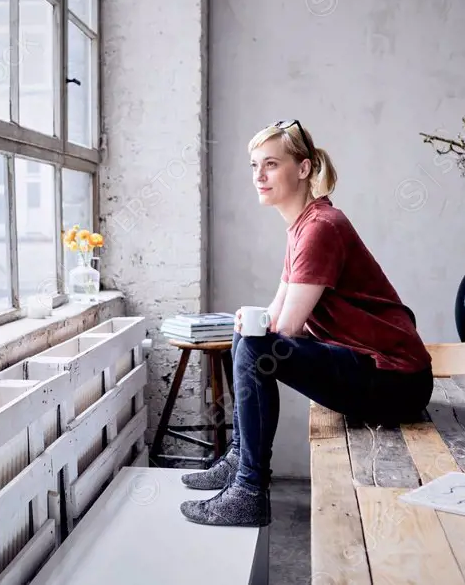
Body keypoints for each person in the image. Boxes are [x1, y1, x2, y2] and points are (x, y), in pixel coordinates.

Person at [178, 119, 434, 528]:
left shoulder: (321, 229)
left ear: (303, 168)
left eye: (271, 164)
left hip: (397, 380)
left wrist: (252, 325)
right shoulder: (302, 227)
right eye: (254, 165)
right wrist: (248, 322)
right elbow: (275, 315)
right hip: (377, 369)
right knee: (248, 335)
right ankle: (239, 463)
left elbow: (288, 327)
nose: (259, 176)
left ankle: (248, 488)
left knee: (255, 345)